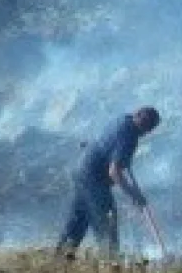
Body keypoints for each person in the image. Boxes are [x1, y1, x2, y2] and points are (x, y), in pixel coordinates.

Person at [57, 106, 161, 257]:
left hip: (82, 171)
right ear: (144, 125)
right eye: (147, 128)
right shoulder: (130, 135)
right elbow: (114, 172)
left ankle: (61, 259)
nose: (145, 133)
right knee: (107, 224)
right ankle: (110, 265)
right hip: (94, 180)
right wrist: (134, 195)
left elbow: (105, 142)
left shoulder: (122, 119)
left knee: (79, 220)